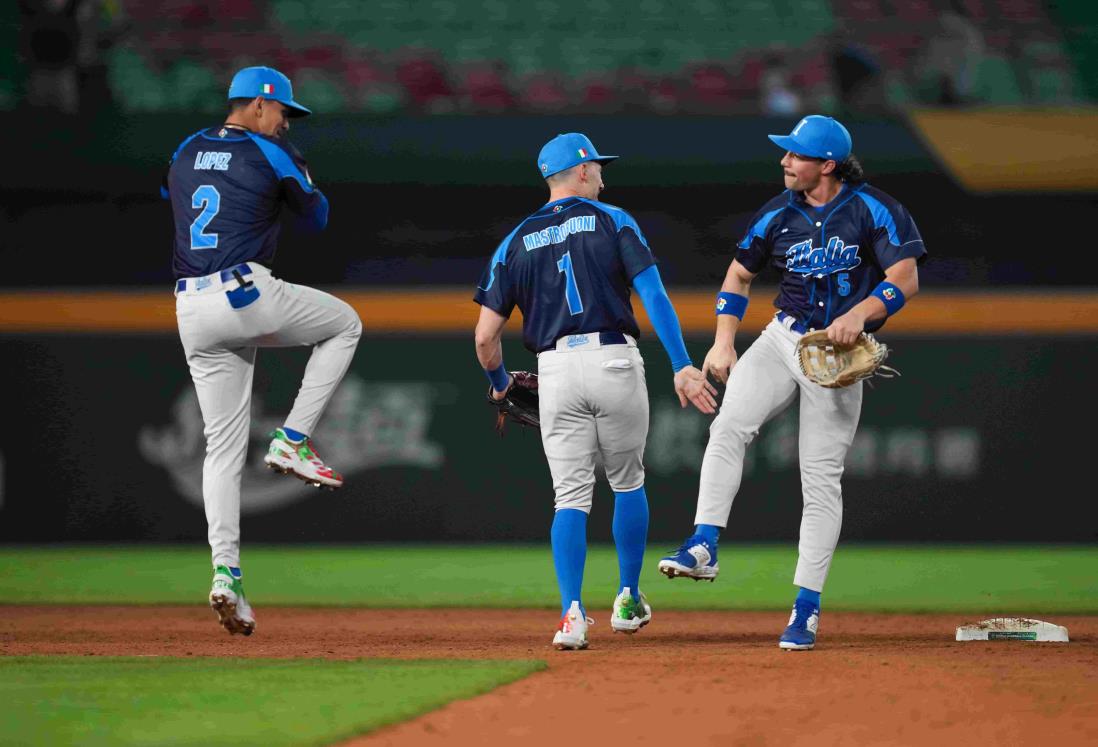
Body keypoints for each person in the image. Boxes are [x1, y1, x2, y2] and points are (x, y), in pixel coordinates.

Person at [658, 115, 925, 650]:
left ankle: (805, 608)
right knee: (728, 425)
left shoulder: (874, 209)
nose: (785, 161)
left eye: (796, 155)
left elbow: (906, 276)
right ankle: (703, 544)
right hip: (784, 339)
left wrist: (864, 312)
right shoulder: (778, 214)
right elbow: (739, 275)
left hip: (838, 354)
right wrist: (723, 340)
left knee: (819, 479)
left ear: (826, 165)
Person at [473, 133, 717, 650]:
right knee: (627, 482)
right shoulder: (614, 220)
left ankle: (571, 616)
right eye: (598, 167)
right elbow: (652, 293)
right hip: (613, 359)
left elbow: (483, 336)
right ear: (581, 172)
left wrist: (500, 388)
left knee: (570, 497)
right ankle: (628, 598)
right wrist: (681, 364)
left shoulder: (514, 240)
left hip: (555, 368)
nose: (604, 175)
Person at [163, 66, 362, 635]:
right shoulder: (270, 152)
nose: (284, 122)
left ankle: (226, 576)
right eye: (281, 112)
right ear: (254, 106)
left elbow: (178, 196)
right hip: (243, 291)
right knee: (345, 324)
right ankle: (293, 440)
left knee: (220, 452)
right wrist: (298, 171)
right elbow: (318, 218)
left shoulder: (185, 148)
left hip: (190, 308)